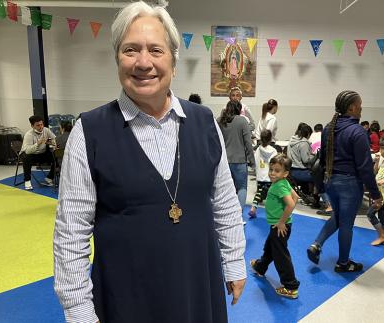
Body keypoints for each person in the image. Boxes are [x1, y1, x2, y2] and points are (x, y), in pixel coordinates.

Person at [53, 2, 246, 323]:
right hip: (126, 297)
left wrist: (235, 262)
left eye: (156, 50)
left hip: (197, 287)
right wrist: (79, 311)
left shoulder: (204, 122)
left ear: (173, 58)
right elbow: (71, 232)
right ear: (117, 57)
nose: (144, 62)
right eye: (131, 50)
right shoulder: (89, 132)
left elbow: (225, 202)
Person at [306, 90, 382, 273]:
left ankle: (316, 244)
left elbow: (322, 159)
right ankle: (343, 262)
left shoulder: (328, 128)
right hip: (349, 185)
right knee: (346, 224)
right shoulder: (357, 131)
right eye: (360, 105)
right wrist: (375, 194)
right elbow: (364, 167)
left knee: (338, 217)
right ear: (352, 107)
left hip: (330, 182)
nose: (362, 108)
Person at [250, 154, 300, 299]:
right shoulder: (284, 182)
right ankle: (260, 266)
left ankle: (290, 287)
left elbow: (290, 203)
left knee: (280, 256)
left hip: (279, 226)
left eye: (277, 170)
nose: (272, 173)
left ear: (285, 173)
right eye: (271, 169)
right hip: (277, 225)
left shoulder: (279, 186)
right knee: (270, 248)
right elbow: (295, 197)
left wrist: (282, 221)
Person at [218, 100, 255, 211]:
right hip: (239, 161)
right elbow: (248, 143)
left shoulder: (219, 120)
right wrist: (252, 161)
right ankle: (238, 215)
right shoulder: (242, 121)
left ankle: (225, 213)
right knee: (242, 188)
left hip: (223, 161)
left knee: (225, 189)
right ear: (239, 110)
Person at [21, 115, 56, 190]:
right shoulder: (28, 135)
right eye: (38, 125)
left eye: (41, 124)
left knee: (55, 156)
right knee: (26, 157)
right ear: (32, 126)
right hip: (30, 154)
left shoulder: (46, 130)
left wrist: (52, 144)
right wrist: (38, 143)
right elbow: (27, 151)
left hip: (41, 153)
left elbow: (54, 139)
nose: (41, 127)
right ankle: (27, 180)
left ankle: (49, 178)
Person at [249, 129, 277, 218]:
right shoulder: (273, 151)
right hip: (270, 176)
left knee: (259, 192)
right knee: (272, 194)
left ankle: (253, 208)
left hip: (261, 176)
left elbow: (255, 161)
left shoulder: (258, 149)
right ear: (270, 139)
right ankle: (272, 212)